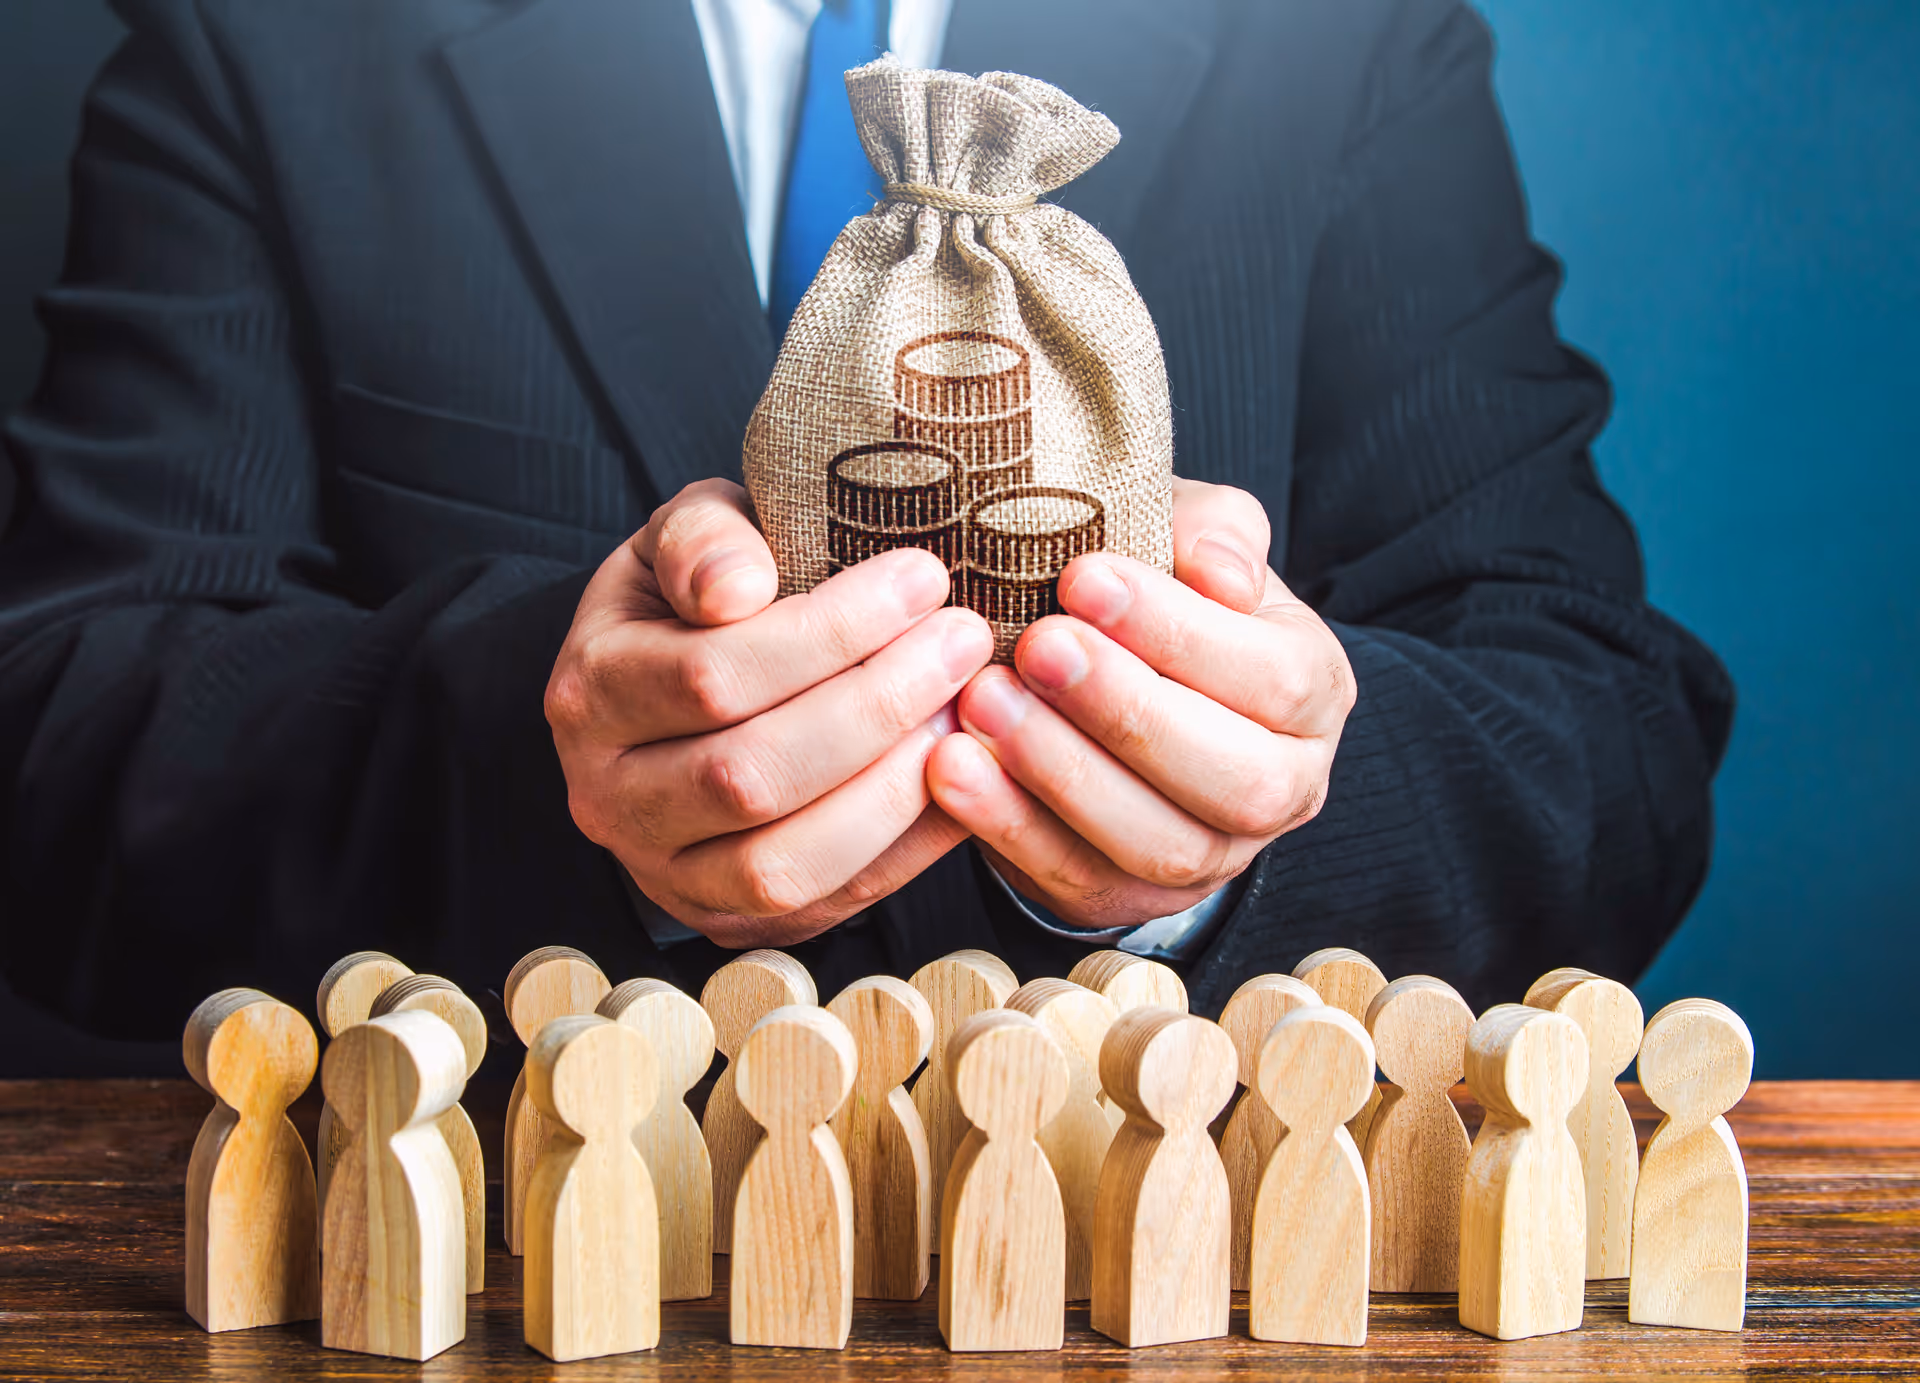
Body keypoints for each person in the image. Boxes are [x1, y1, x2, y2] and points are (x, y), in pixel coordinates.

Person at [0, 0, 1732, 1038]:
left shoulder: (1333, 38)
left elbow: (1603, 729)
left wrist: (1263, 796)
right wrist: (560, 746)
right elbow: (57, 726)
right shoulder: (274, 36)